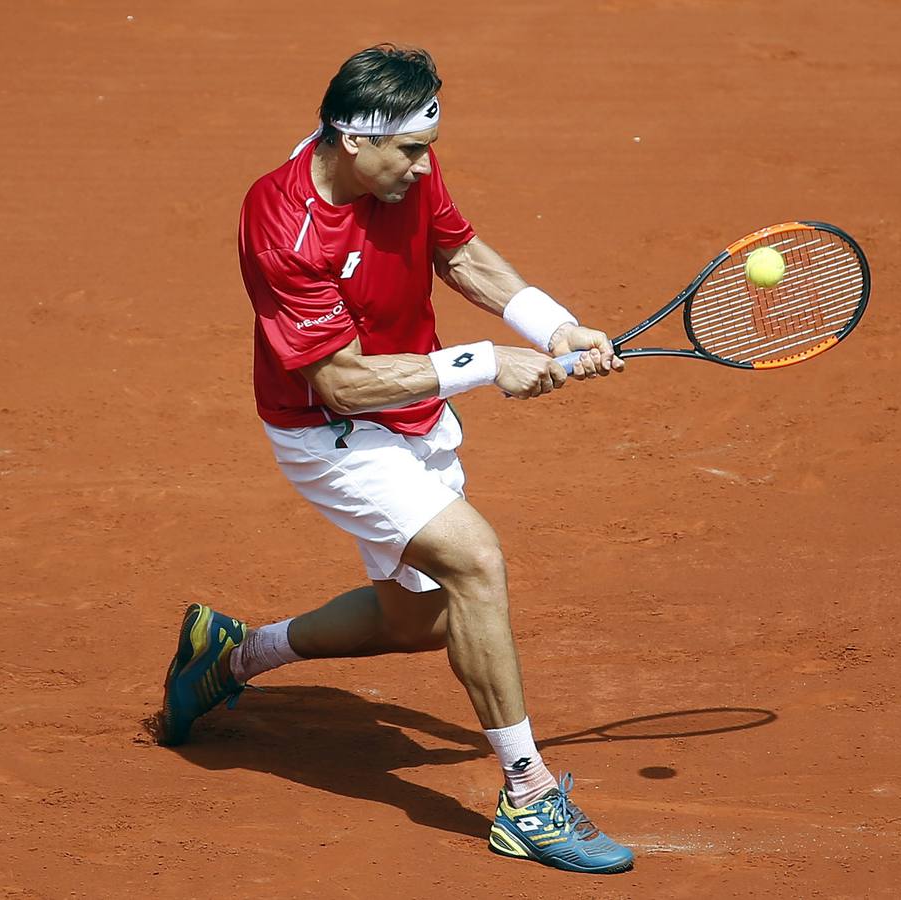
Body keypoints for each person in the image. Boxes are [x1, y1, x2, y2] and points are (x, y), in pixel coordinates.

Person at [158, 44, 632, 875]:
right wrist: (488, 363)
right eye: (408, 151)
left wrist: (552, 325)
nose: (423, 167)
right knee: (475, 563)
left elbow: (459, 253)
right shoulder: (282, 222)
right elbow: (339, 384)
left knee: (416, 623)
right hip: (332, 435)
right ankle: (528, 798)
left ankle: (228, 655)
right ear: (351, 140)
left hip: (416, 410)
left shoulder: (407, 172)